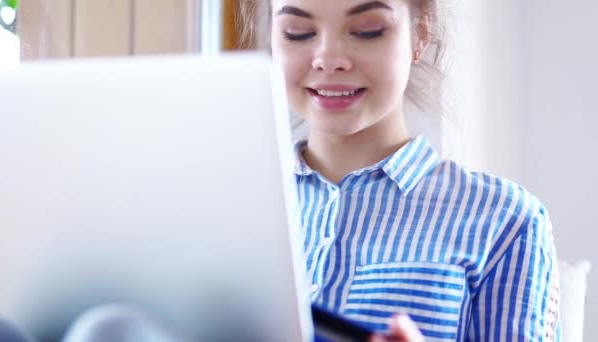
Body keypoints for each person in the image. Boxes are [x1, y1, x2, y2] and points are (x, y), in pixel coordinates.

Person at [239, 0, 561, 341]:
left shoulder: (508, 220)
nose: (328, 59)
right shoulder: (227, 209)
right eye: (298, 33)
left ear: (419, 34)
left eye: (367, 32)